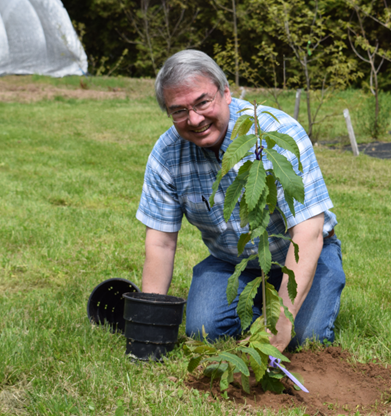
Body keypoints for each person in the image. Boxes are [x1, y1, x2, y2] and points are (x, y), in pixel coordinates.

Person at [136, 49, 345, 352]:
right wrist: (150, 322)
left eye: (203, 102)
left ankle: (284, 303)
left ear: (226, 93)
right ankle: (260, 304)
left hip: (303, 251)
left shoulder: (275, 135)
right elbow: (160, 242)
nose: (194, 119)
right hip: (233, 262)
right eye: (179, 110)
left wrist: (283, 319)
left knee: (304, 337)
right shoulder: (167, 154)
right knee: (204, 330)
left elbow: (308, 232)